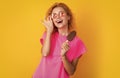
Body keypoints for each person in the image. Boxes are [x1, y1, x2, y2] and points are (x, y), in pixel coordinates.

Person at [33, 2, 86, 78]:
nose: (58, 17)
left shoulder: (78, 43)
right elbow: (44, 53)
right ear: (52, 20)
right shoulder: (48, 35)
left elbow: (71, 71)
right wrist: (49, 31)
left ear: (68, 17)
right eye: (54, 15)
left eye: (61, 14)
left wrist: (64, 56)